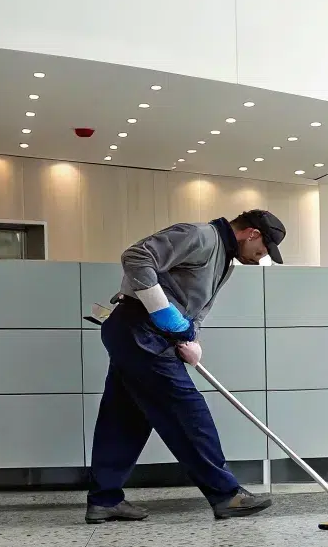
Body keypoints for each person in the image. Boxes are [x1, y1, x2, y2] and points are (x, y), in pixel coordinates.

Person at [85, 209, 287, 524]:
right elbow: (137, 256)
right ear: (252, 233)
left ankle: (105, 499)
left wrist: (192, 338)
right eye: (262, 251)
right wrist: (163, 313)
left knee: (124, 418)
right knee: (188, 412)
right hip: (140, 329)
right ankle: (226, 495)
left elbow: (196, 304)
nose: (260, 258)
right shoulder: (201, 236)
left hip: (146, 335)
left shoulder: (224, 260)